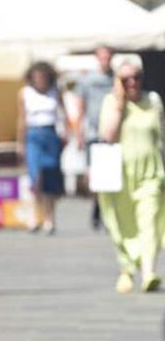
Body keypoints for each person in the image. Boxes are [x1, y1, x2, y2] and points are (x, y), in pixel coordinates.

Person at [97, 59, 164, 293]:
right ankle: (127, 268)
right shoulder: (110, 102)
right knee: (124, 225)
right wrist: (119, 103)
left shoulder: (153, 100)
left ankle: (148, 272)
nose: (133, 83)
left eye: (137, 77)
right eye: (126, 79)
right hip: (119, 176)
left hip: (151, 174)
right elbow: (108, 136)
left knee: (150, 222)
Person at [17, 61, 67, 235]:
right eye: (36, 78)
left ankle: (49, 217)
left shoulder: (55, 92)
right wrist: (20, 143)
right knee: (35, 176)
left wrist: (65, 133)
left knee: (51, 177)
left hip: (51, 134)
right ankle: (34, 216)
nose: (40, 81)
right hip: (33, 135)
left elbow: (63, 114)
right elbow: (22, 119)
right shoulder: (25, 93)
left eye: (43, 77)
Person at [75, 46, 115, 230]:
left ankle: (105, 211)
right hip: (92, 132)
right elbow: (80, 106)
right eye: (103, 56)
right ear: (97, 58)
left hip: (112, 133)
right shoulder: (87, 79)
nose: (105, 59)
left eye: (108, 56)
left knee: (110, 176)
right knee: (95, 176)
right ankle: (98, 206)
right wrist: (78, 133)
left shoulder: (117, 78)